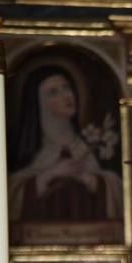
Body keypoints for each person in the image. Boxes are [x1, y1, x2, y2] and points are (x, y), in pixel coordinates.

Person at [8, 64, 122, 222]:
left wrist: (91, 179)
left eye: (66, 87)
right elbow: (9, 194)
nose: (66, 95)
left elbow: (119, 188)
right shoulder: (30, 151)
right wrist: (49, 174)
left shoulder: (91, 145)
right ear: (39, 103)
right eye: (53, 92)